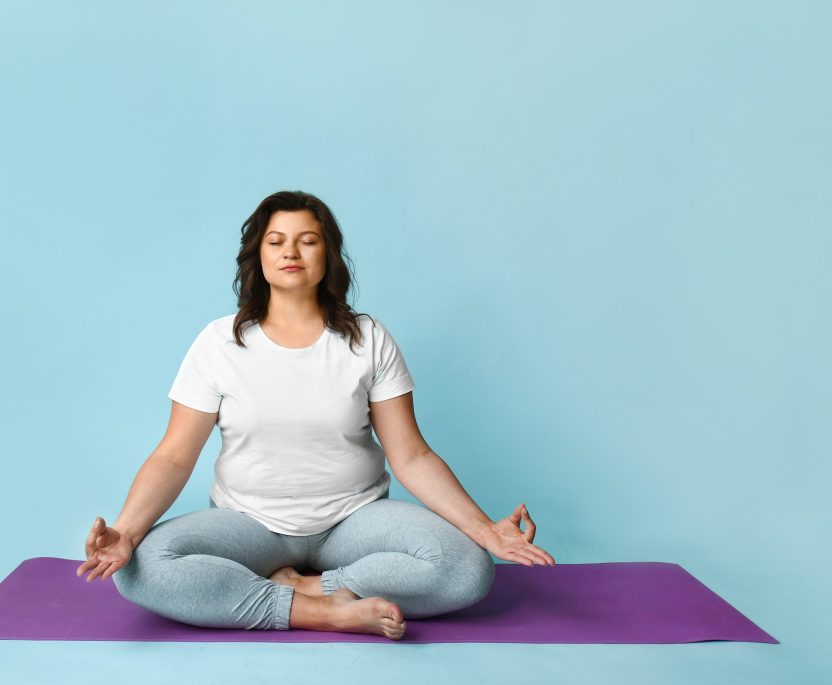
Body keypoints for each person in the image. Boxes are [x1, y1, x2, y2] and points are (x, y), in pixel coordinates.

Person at [76, 190, 555, 640]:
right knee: (141, 569)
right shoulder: (218, 343)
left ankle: (310, 588)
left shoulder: (367, 338)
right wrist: (128, 532)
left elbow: (410, 455)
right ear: (258, 255)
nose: (292, 252)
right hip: (249, 524)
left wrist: (484, 529)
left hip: (353, 520)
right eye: (277, 241)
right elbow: (175, 457)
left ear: (327, 255)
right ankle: (323, 611)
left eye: (308, 241)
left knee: (467, 568)